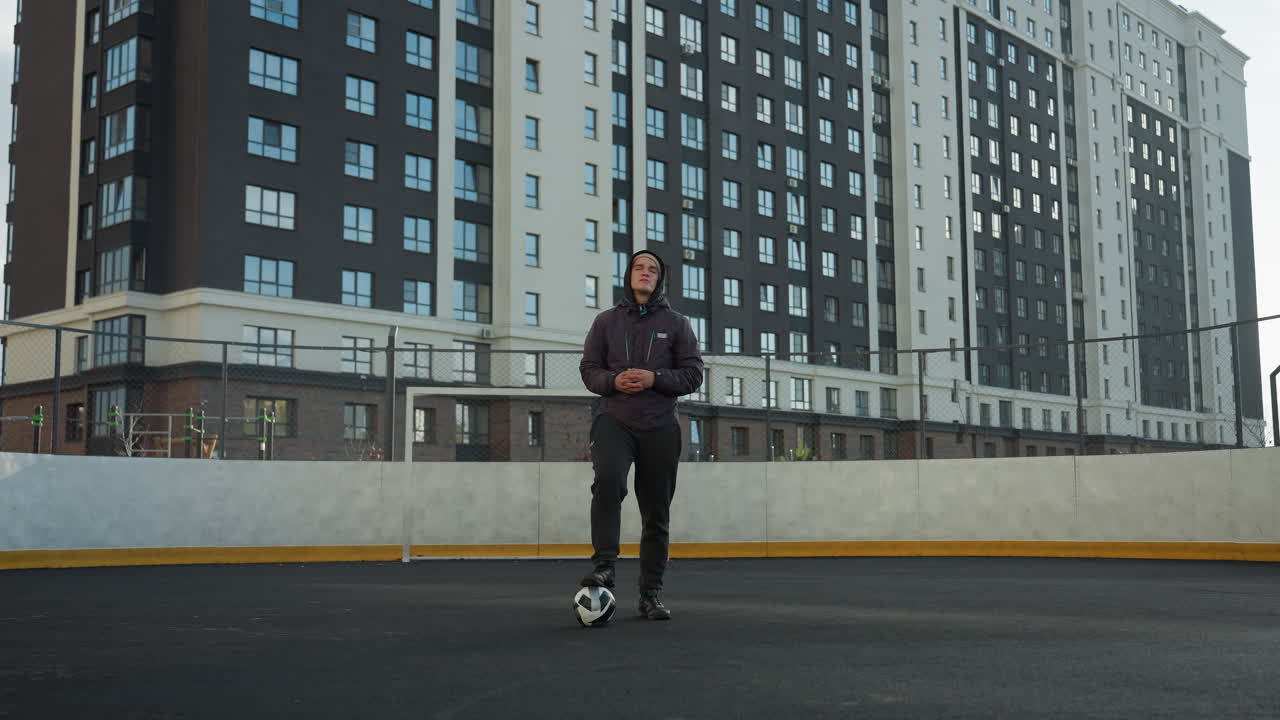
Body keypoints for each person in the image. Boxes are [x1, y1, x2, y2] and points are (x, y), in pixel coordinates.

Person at [578, 250, 704, 621]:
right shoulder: (606, 321)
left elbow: (693, 374)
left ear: (660, 278)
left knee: (656, 512)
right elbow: (589, 369)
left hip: (661, 426)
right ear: (628, 275)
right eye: (639, 267)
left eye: (652, 269)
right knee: (608, 481)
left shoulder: (678, 324)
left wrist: (655, 378)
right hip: (614, 420)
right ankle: (604, 566)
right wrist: (613, 381)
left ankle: (650, 594)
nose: (645, 273)